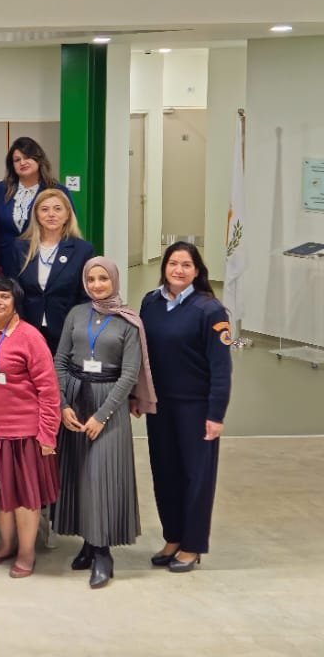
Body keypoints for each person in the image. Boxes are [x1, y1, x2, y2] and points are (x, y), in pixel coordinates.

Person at [54, 257, 154, 589]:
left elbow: (129, 375)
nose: (97, 285)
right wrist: (63, 404)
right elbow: (60, 360)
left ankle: (103, 554)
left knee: (102, 477)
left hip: (108, 406)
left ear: (115, 280)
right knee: (79, 474)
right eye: (91, 279)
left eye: (103, 279)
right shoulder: (76, 314)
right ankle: (88, 543)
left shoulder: (129, 322)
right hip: (75, 400)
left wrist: (102, 416)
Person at [139, 242, 232, 575]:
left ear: (197, 271)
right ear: (164, 266)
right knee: (165, 472)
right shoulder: (150, 303)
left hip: (196, 407)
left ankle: (192, 545)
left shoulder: (210, 310)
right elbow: (142, 355)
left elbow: (221, 368)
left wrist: (216, 414)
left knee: (196, 477)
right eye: (173, 263)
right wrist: (138, 395)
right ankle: (173, 537)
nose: (178, 270)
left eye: (186, 265)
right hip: (160, 406)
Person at [0, 275, 60, 579]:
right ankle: (6, 545)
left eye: (4, 296)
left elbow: (49, 390)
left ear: (15, 301)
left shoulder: (30, 336)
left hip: (24, 432)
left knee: (25, 497)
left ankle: (27, 552)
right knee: (1, 495)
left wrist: (47, 433)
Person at [16, 189, 96, 354]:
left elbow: (85, 296)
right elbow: (14, 290)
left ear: (67, 215)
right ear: (36, 215)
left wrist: (78, 328)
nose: (51, 214)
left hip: (66, 330)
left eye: (58, 209)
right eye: (44, 209)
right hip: (28, 330)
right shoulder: (21, 247)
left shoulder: (82, 250)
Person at [0, 137, 69, 279]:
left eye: (27, 157)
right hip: (7, 262)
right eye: (17, 160)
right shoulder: (2, 189)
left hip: (43, 261)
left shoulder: (56, 190)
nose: (22, 162)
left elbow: (68, 228)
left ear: (39, 159)